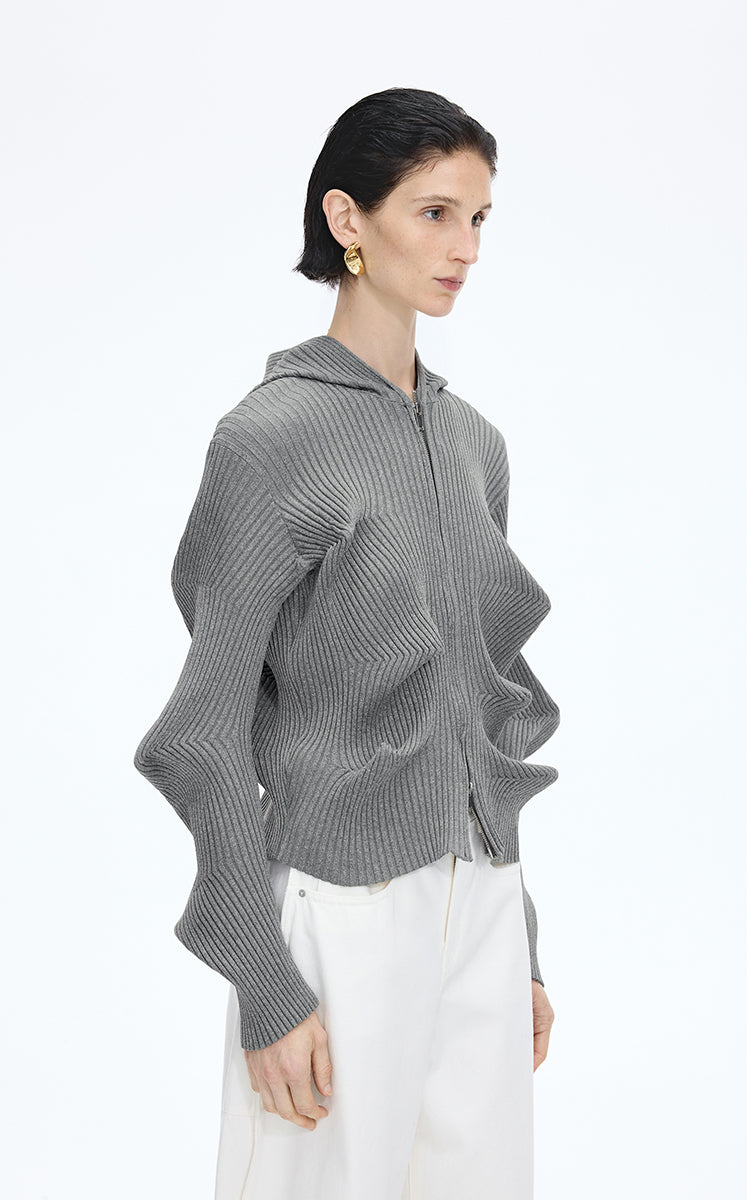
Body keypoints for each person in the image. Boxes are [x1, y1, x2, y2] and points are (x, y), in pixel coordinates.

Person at [134, 86, 559, 1200]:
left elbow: (486, 710)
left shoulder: (474, 445)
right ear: (346, 219)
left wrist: (519, 942)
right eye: (434, 213)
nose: (466, 249)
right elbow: (199, 737)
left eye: (479, 218)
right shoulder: (271, 438)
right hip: (340, 917)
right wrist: (265, 982)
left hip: (482, 910)